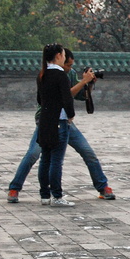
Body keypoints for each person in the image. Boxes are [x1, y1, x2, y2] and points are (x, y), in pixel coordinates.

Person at [7, 49, 116, 203]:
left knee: (87, 152)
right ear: (59, 59)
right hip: (48, 120)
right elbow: (64, 95)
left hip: (66, 121)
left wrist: (89, 84)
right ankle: (15, 188)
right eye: (67, 64)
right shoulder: (49, 74)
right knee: (34, 154)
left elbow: (80, 96)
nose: (69, 68)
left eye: (71, 65)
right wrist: (83, 82)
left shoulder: (69, 74)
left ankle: (102, 187)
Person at [36, 44, 76, 207]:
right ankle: (57, 196)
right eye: (64, 55)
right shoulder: (60, 76)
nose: (65, 58)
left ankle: (44, 195)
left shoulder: (42, 74)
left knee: (45, 158)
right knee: (56, 160)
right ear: (59, 55)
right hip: (59, 121)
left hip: (45, 121)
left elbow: (40, 99)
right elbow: (67, 99)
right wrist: (71, 114)